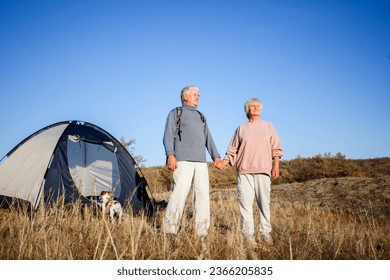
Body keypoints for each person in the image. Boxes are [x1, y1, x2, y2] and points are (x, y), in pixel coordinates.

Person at [217, 98, 283, 245]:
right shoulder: (241, 128)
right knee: (245, 204)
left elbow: (276, 148)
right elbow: (232, 149)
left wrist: (276, 165)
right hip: (244, 171)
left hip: (263, 170)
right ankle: (249, 236)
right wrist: (224, 162)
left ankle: (266, 233)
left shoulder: (268, 126)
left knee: (264, 203)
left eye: (258, 106)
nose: (256, 107)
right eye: (253, 106)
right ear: (247, 109)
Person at [163, 86, 221, 237]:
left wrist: (216, 157)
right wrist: (170, 155)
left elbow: (208, 138)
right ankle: (170, 230)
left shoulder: (201, 116)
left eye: (199, 95)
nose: (198, 97)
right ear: (185, 97)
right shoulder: (176, 112)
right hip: (182, 160)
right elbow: (168, 135)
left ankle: (202, 231)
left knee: (202, 196)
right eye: (195, 95)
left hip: (201, 162)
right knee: (179, 194)